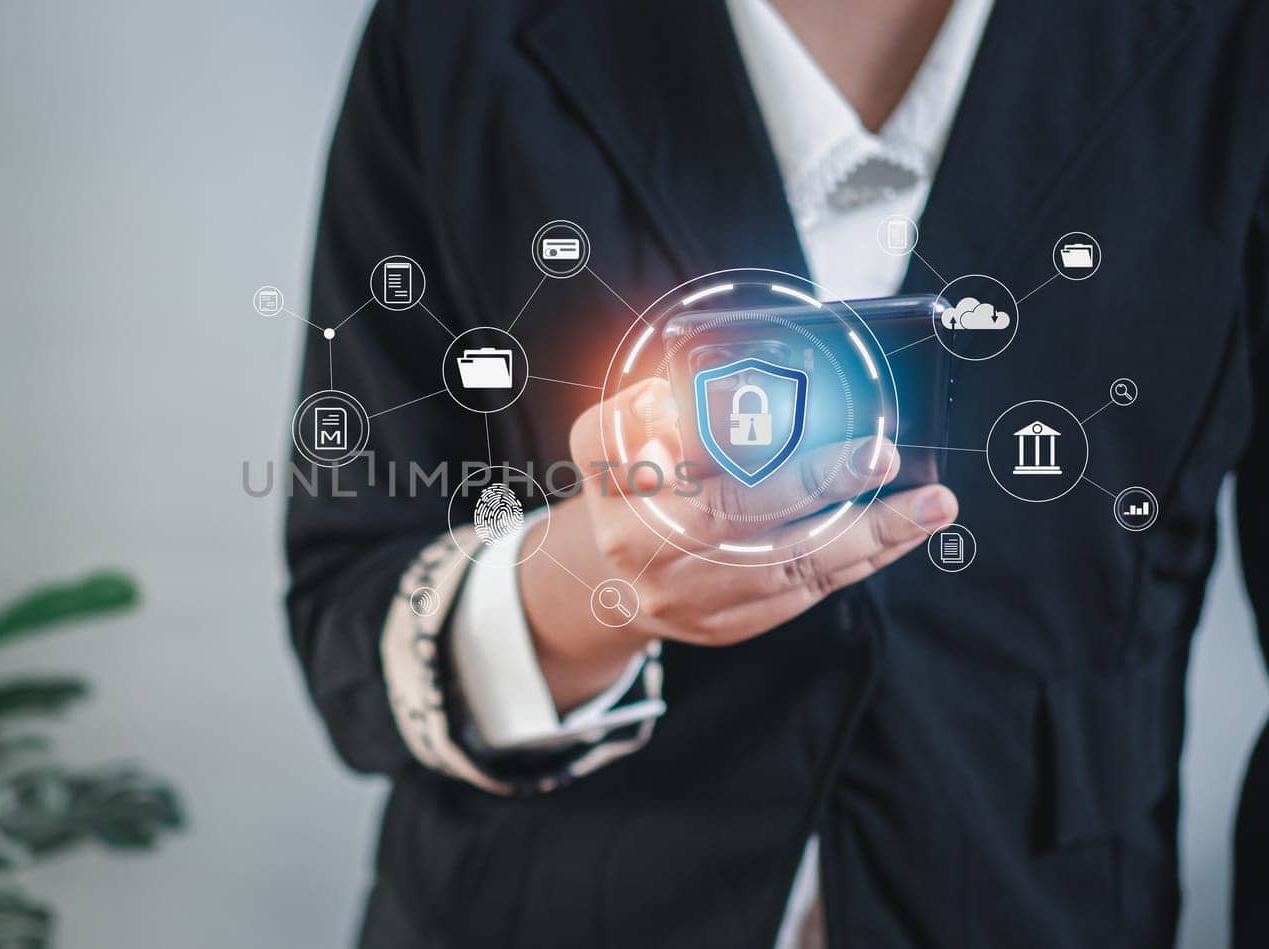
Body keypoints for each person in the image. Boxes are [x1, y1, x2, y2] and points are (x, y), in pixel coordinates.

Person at [284, 0, 1269, 945]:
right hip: (544, 900)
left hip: (1043, 902)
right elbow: (347, 608)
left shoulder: (1232, 41)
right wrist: (582, 591)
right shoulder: (456, 28)